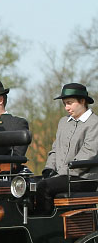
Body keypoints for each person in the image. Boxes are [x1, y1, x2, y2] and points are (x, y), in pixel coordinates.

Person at [37, 82, 98, 210]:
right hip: (62, 175)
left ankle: (47, 226)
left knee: (44, 187)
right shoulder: (63, 122)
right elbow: (55, 149)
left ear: (82, 101)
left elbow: (89, 153)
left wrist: (61, 173)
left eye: (69, 103)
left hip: (83, 178)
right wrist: (49, 169)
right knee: (27, 185)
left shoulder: (94, 123)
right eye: (64, 103)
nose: (66, 107)